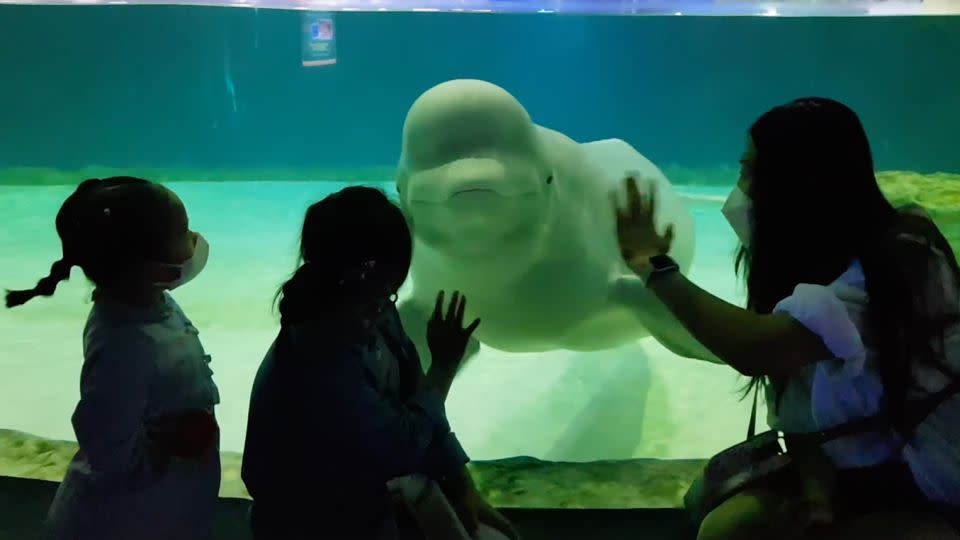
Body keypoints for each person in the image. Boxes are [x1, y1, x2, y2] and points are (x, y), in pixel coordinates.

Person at [609, 98, 960, 540]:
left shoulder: (904, 257)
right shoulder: (806, 261)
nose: (741, 188)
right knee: (725, 530)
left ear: (802, 179)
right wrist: (816, 496)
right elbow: (799, 414)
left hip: (927, 478)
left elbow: (758, 349)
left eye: (752, 171)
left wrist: (653, 266)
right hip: (846, 472)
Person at [241, 186, 517, 540]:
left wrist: (459, 481)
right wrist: (445, 365)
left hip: (365, 509)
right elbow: (398, 446)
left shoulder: (375, 309)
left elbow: (414, 393)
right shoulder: (322, 352)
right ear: (376, 269)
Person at [5, 177, 222, 540]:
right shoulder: (124, 344)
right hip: (127, 519)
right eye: (185, 232)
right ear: (154, 269)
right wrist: (170, 442)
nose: (195, 240)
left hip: (161, 506)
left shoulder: (147, 301)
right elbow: (107, 446)